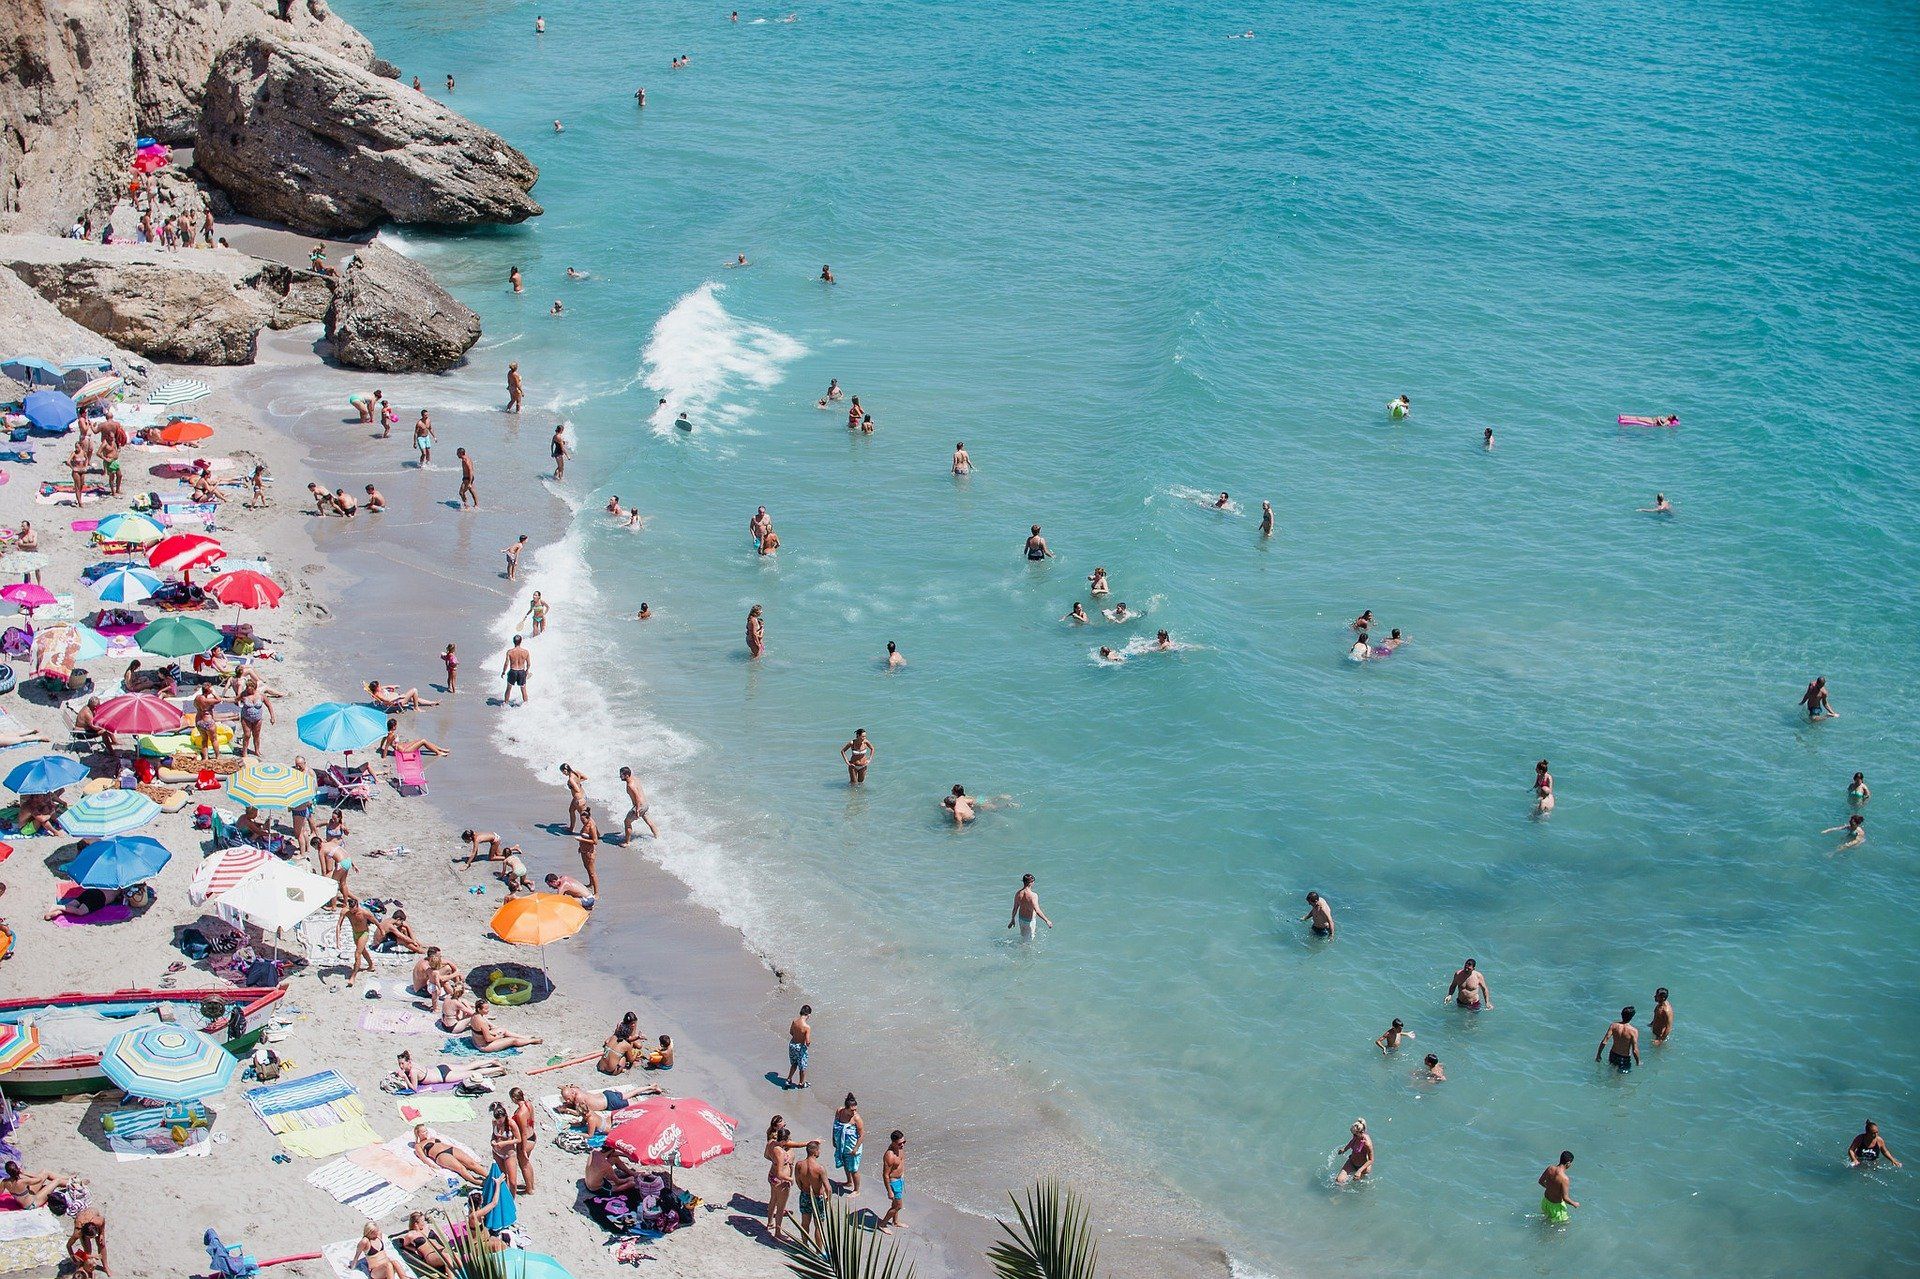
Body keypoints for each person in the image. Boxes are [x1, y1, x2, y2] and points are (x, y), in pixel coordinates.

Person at [764, 1123, 805, 1241]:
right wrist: (790, 1179)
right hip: (780, 1181)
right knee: (781, 1207)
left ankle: (769, 1222)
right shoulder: (781, 1152)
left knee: (773, 1200)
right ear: (784, 1141)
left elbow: (766, 1156)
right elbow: (780, 1173)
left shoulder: (771, 1143)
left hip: (771, 1176)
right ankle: (778, 1232)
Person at [413, 1125, 488, 1186]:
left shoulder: (433, 1138)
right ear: (418, 1134)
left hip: (451, 1149)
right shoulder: (418, 1145)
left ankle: (489, 1176)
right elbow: (423, 1158)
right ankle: (477, 1182)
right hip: (441, 1155)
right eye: (423, 1131)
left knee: (472, 1163)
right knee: (461, 1168)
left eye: (426, 1130)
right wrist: (432, 1165)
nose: (426, 1132)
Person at [794, 1141, 831, 1245]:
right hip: (817, 1197)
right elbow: (828, 1188)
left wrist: (803, 1189)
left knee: (805, 1223)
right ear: (815, 1152)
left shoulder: (799, 1165)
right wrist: (828, 1200)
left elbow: (797, 1181)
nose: (819, 1152)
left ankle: (805, 1245)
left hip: (805, 1195)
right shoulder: (820, 1168)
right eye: (819, 1150)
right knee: (818, 1226)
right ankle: (819, 1251)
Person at [832, 1094, 865, 1193]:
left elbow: (862, 1135)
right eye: (852, 1110)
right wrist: (833, 1139)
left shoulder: (856, 1118)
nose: (854, 1112)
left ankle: (856, 1190)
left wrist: (855, 1148)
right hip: (842, 1145)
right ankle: (849, 1182)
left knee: (854, 1169)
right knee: (846, 1164)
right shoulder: (839, 1111)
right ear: (846, 1108)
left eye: (855, 1109)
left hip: (852, 1147)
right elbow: (834, 1126)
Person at [64, 1205, 107, 1279]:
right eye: (91, 1237)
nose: (94, 1237)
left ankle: (106, 1267)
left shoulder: (97, 1221)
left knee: (101, 1244)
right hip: (81, 1220)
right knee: (88, 1250)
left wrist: (101, 1234)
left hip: (92, 1213)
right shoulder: (78, 1233)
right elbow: (68, 1245)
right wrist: (73, 1257)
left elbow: (103, 1221)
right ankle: (87, 1269)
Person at [1596, 1006, 1640, 1072]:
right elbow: (1635, 1050)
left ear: (1621, 1014)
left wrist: (1598, 1054)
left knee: (1611, 1073)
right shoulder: (1633, 1031)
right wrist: (1638, 1062)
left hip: (1613, 1055)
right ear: (1632, 1017)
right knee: (1621, 1079)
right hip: (1624, 1058)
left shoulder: (1613, 1025)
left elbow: (1604, 1041)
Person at [1539, 1151, 1578, 1224]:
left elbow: (1540, 1181)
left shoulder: (1550, 1168)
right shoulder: (1565, 1179)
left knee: (1546, 1220)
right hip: (1556, 1207)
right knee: (1564, 1224)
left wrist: (1550, 1188)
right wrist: (1574, 1204)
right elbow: (1565, 1198)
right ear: (1568, 1163)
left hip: (1545, 1202)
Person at [1009, 873, 1052, 939]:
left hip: (1021, 919)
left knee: (1023, 936)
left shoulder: (1018, 894)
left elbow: (1015, 908)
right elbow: (1037, 910)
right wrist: (1047, 921)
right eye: (1033, 881)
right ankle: (1023, 948)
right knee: (1030, 939)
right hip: (1030, 921)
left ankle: (1021, 947)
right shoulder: (1033, 895)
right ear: (1030, 883)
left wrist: (1012, 919)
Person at [879, 1130, 906, 1231]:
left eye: (904, 1142)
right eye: (900, 1143)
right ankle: (882, 1224)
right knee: (898, 1206)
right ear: (893, 1142)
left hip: (900, 1179)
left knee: (895, 1204)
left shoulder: (900, 1149)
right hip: (894, 1182)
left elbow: (901, 1164)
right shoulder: (889, 1156)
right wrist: (889, 1191)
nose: (902, 1145)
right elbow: (885, 1175)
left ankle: (895, 1222)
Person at [576, 808, 600, 896]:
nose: (582, 822)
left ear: (588, 818)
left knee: (592, 873)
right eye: (581, 820)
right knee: (587, 868)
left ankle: (596, 893)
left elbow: (595, 841)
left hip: (590, 853)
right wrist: (580, 846)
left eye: (583, 820)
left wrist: (581, 839)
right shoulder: (585, 825)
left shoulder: (591, 827)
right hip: (583, 851)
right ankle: (590, 884)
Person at [786, 1005, 812, 1089]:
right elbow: (807, 1042)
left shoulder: (794, 1022)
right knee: (802, 1067)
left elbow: (791, 1032)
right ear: (808, 1015)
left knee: (794, 1064)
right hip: (800, 1047)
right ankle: (801, 1083)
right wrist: (808, 1042)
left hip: (792, 1045)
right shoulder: (807, 1027)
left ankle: (788, 1079)